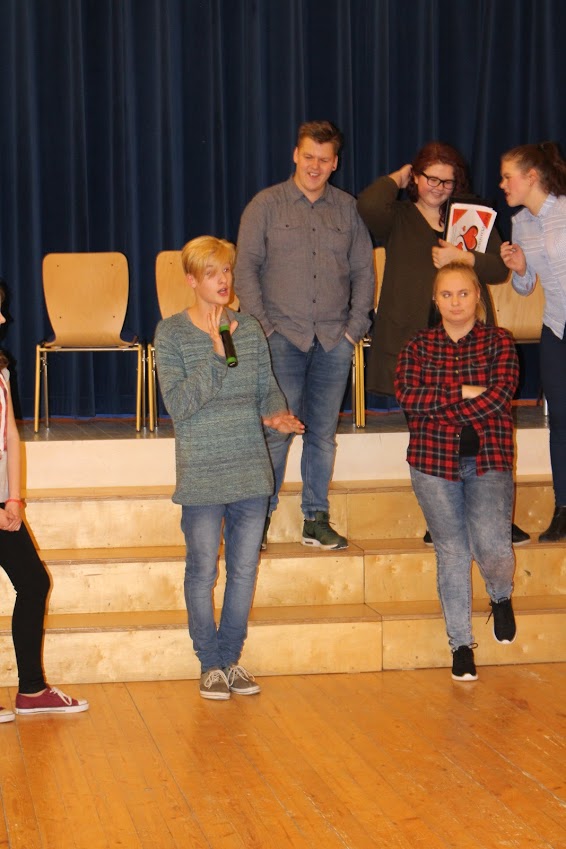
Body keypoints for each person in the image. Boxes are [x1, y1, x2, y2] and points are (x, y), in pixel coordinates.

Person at [357, 141, 530, 546]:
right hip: (417, 344)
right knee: (429, 433)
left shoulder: (472, 216)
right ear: (416, 178)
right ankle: (442, 520)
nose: (437, 188)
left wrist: (464, 258)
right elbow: (367, 205)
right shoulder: (399, 216)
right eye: (430, 179)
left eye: (446, 182)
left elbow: (498, 269)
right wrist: (398, 175)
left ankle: (492, 518)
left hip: (471, 341)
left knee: (483, 429)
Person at [154, 236, 303, 701]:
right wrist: (218, 356)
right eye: (212, 273)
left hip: (250, 471)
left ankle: (230, 660)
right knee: (203, 572)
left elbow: (266, 389)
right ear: (191, 280)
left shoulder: (249, 328)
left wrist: (277, 414)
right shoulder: (171, 334)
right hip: (202, 473)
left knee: (243, 572)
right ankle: (209, 663)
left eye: (227, 270)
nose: (223, 280)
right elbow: (180, 404)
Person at [235, 120, 374, 551]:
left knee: (322, 435)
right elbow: (244, 270)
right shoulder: (265, 205)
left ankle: (315, 519)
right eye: (309, 156)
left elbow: (364, 272)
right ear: (296, 155)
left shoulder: (348, 209)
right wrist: (265, 328)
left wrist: (354, 330)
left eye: (324, 159)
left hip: (334, 340)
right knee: (277, 432)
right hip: (280, 339)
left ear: (335, 163)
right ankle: (258, 520)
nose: (315, 165)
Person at [395, 262, 518, 681]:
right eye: (446, 295)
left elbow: (500, 398)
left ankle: (500, 595)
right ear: (435, 300)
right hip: (432, 463)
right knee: (452, 552)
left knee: (494, 548)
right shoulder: (417, 347)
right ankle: (461, 646)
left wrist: (440, 403)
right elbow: (409, 398)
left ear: (478, 296)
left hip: (489, 459)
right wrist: (465, 392)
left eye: (463, 293)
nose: (455, 302)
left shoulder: (500, 341)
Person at [0, 282, 88, 723]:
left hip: (3, 503)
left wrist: (14, 498)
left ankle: (32, 689)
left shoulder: (0, 367)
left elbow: (11, 436)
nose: (3, 319)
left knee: (33, 583)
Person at [500, 142, 566, 543]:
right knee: (559, 420)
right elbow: (525, 288)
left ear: (532, 177)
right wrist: (520, 269)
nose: (503, 184)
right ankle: (563, 508)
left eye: (508, 177)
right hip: (556, 328)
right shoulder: (520, 223)